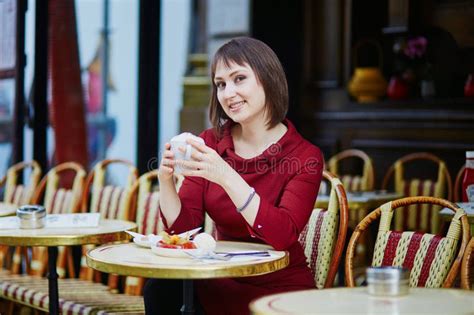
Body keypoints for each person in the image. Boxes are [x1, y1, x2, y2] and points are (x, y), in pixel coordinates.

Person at [144, 37, 323, 315]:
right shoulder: (210, 143)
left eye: (239, 79)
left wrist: (226, 175)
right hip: (219, 278)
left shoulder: (304, 156)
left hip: (278, 287)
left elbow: (283, 235)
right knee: (160, 288)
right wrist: (166, 181)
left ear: (268, 79)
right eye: (221, 84)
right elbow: (182, 231)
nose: (228, 93)